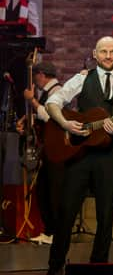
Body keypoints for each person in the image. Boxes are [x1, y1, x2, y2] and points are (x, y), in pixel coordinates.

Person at [42, 36, 113, 275]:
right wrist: (65, 123)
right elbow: (53, 102)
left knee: (106, 214)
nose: (108, 56)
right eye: (103, 51)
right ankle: (55, 268)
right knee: (67, 210)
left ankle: (98, 268)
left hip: (110, 156)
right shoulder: (81, 79)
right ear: (95, 54)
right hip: (80, 154)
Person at [16, 62, 63, 245]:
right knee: (43, 191)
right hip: (47, 151)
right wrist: (27, 120)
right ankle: (49, 231)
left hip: (56, 151)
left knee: (53, 193)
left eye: (36, 76)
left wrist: (31, 100)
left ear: (42, 75)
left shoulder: (57, 91)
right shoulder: (47, 93)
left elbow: (49, 115)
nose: (35, 80)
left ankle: (55, 233)